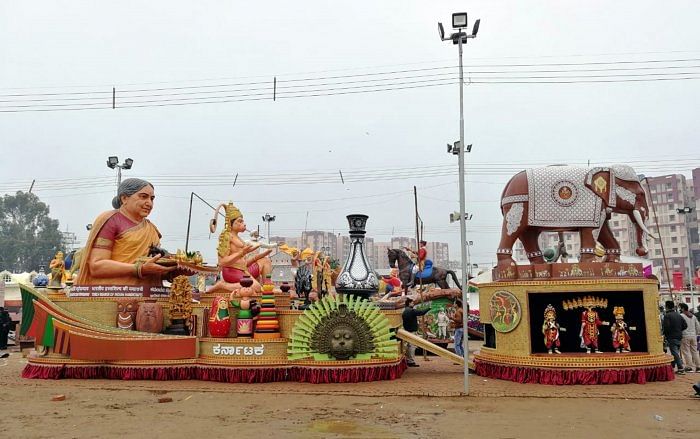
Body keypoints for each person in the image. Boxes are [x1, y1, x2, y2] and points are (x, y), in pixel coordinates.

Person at [76, 178, 175, 286]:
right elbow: (96, 266)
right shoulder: (111, 220)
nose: (149, 203)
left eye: (152, 198)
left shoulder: (151, 228)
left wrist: (173, 270)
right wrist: (140, 269)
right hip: (113, 294)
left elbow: (152, 268)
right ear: (124, 198)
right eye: (143, 197)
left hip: (150, 295)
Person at [208, 202, 273, 293]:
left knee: (266, 261)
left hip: (243, 270)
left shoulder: (239, 239)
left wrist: (262, 255)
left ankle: (267, 289)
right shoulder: (227, 237)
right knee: (256, 287)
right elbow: (222, 262)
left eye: (242, 221)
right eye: (239, 221)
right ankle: (223, 285)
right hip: (231, 272)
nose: (243, 224)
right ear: (231, 224)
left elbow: (244, 263)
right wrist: (241, 253)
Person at [402, 298, 430, 367]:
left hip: (407, 330)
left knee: (408, 346)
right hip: (411, 331)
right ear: (409, 303)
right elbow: (421, 312)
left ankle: (408, 360)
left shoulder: (405, 310)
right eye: (412, 303)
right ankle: (411, 361)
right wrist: (429, 308)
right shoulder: (411, 311)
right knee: (412, 346)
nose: (413, 304)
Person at [663, 301, 687, 374]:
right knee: (675, 352)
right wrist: (679, 330)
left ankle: (680, 368)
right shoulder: (678, 315)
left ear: (666, 307)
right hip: (679, 336)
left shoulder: (667, 315)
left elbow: (666, 327)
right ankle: (672, 365)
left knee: (674, 352)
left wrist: (666, 335)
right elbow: (685, 325)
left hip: (672, 336)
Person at [678, 303, 700, 372]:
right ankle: (698, 367)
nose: (679, 309)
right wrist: (696, 333)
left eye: (680, 308)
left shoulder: (681, 316)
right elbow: (698, 326)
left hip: (685, 335)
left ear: (683, 308)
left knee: (686, 352)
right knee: (695, 351)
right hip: (693, 336)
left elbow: (680, 326)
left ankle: (689, 367)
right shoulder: (693, 316)